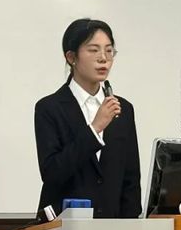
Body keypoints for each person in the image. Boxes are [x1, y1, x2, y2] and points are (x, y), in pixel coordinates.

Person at [34, 18, 141, 219]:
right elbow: (52, 173)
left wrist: (130, 226)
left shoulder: (123, 109)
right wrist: (95, 128)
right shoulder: (49, 108)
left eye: (109, 50)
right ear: (71, 57)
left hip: (113, 228)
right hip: (64, 227)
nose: (103, 58)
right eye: (93, 50)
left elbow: (131, 180)